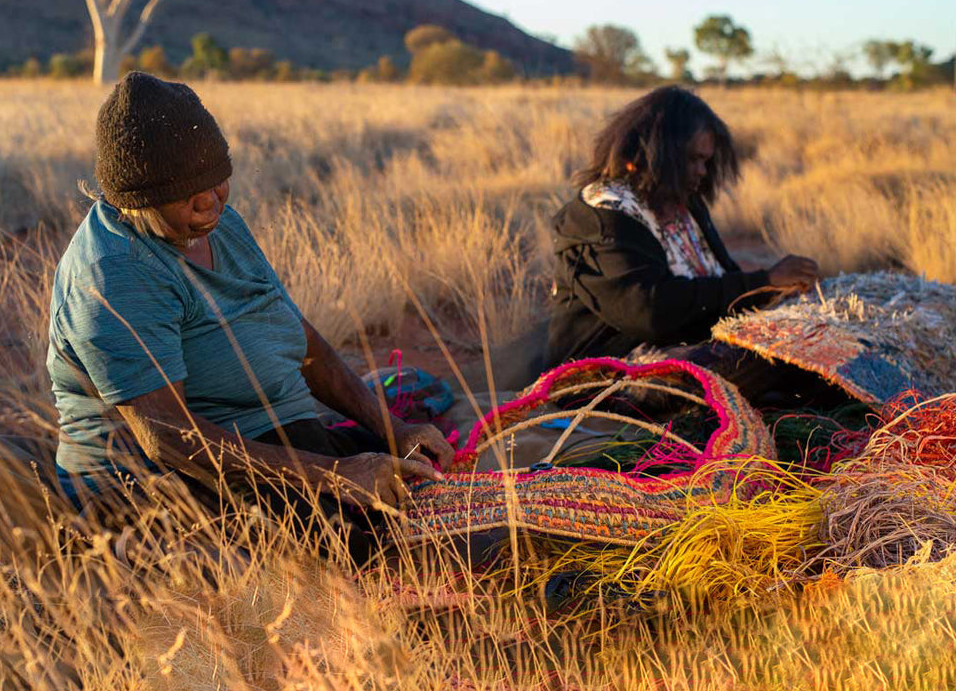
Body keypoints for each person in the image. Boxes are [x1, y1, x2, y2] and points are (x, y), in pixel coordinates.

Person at [47, 72, 454, 562]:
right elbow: (168, 438)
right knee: (362, 542)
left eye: (217, 183)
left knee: (418, 468)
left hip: (263, 438)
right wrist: (335, 475)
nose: (210, 202)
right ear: (136, 201)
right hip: (162, 475)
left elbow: (297, 336)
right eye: (186, 197)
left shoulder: (222, 223)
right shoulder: (115, 273)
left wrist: (391, 428)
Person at [544, 86, 819, 390]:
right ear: (654, 153)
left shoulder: (682, 205)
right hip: (603, 374)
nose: (702, 171)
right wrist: (762, 281)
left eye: (706, 161)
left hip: (679, 348)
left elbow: (720, 279)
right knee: (762, 361)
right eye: (692, 159)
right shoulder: (604, 213)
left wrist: (774, 292)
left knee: (804, 341)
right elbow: (649, 311)